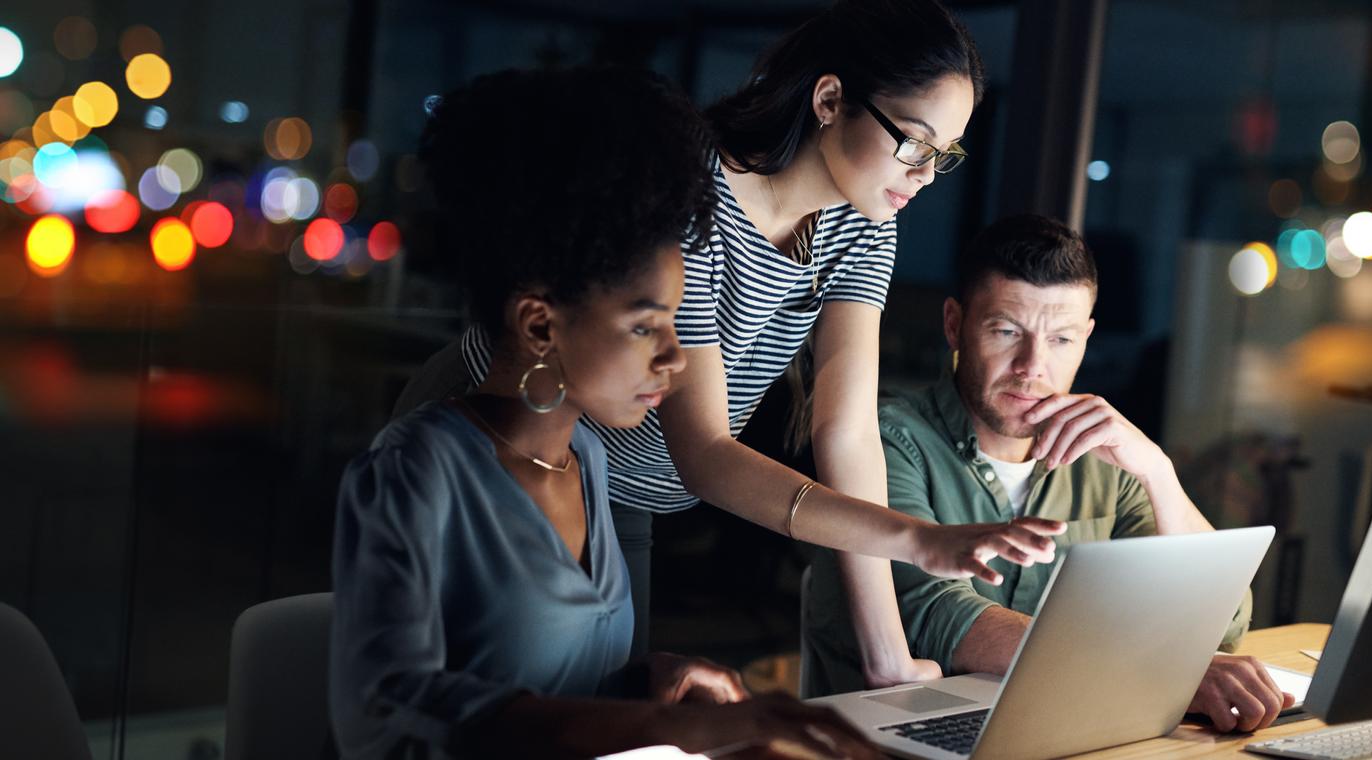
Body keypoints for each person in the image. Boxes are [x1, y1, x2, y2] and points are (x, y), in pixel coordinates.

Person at [395, 0, 1064, 687]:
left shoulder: (865, 225)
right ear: (831, 99)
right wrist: (919, 539)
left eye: (943, 156)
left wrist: (886, 653)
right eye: (914, 143)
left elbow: (848, 434)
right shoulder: (689, 192)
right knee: (467, 693)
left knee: (604, 703)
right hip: (510, 436)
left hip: (624, 486)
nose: (924, 174)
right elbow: (705, 451)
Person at [330, 66, 881, 760]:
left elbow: (553, 675)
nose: (675, 359)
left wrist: (654, 680)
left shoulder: (586, 460)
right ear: (539, 327)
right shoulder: (414, 473)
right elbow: (387, 715)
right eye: (645, 328)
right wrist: (666, 729)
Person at [803, 214, 1296, 733]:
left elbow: (1225, 620)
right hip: (887, 745)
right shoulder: (886, 441)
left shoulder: (1106, 457)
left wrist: (1157, 470)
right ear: (955, 324)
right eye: (1006, 331)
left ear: (1086, 338)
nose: (1031, 365)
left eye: (1061, 339)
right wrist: (1151, 670)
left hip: (1058, 732)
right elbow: (932, 613)